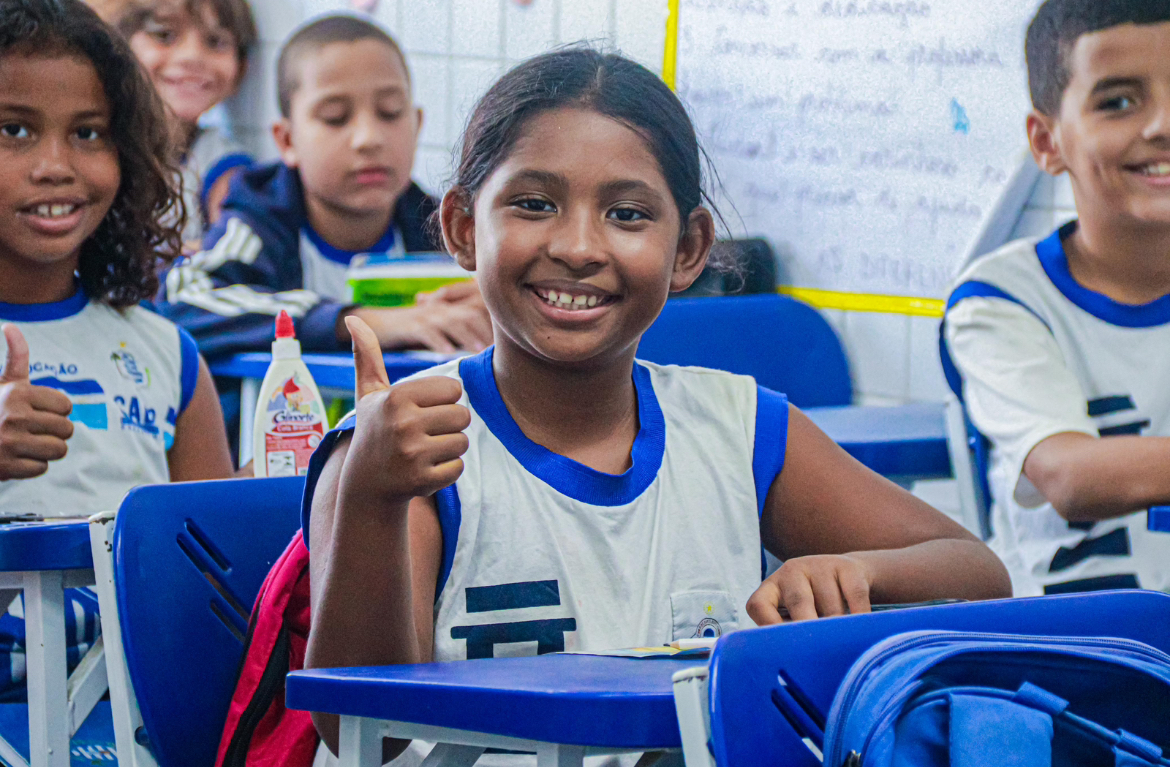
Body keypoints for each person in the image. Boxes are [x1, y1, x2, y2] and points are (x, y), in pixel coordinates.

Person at [303, 47, 1011, 764]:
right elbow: (363, 732)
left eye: (628, 213)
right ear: (461, 226)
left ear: (689, 248)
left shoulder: (739, 428)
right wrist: (372, 494)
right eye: (534, 203)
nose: (579, 246)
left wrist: (859, 573)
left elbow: (978, 575)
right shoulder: (403, 448)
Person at [0, 0, 233, 693]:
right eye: (14, 129)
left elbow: (214, 579)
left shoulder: (166, 353)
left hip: (136, 720)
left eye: (89, 133)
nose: (56, 166)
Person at [942, 0, 1170, 597]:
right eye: (1119, 101)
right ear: (1047, 142)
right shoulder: (1000, 304)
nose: (1162, 125)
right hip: (1072, 661)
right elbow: (1071, 476)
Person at [159, 14, 492, 359]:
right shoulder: (258, 224)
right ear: (287, 140)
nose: (369, 138)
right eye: (335, 117)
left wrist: (497, 303)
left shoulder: (448, 234)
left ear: (417, 124)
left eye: (390, 113)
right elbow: (180, 299)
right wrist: (364, 323)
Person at [115, 0, 256, 243]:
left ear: (241, 68)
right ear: (118, 46)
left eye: (216, 42)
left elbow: (237, 240)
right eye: (164, 35)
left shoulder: (219, 162)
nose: (192, 56)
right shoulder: (96, 145)